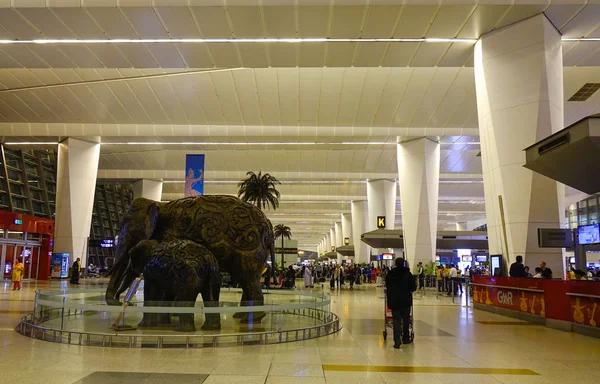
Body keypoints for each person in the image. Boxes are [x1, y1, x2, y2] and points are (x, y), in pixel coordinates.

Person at [385, 257, 417, 348]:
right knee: (406, 319)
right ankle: (405, 338)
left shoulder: (390, 274)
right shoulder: (407, 274)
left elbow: (387, 286)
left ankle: (397, 341)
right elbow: (413, 287)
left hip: (394, 301)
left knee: (396, 320)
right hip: (405, 300)